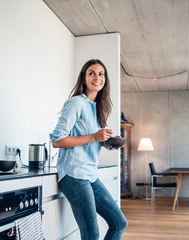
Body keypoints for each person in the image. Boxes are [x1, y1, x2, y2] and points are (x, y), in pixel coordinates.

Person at [50, 59, 127, 240]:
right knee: (91, 233)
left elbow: (87, 138)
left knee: (119, 223)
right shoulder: (76, 103)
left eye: (101, 74)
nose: (97, 77)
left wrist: (104, 142)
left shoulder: (96, 108)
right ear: (84, 78)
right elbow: (57, 140)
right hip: (74, 175)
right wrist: (94, 137)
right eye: (91, 73)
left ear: (105, 80)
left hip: (90, 174)